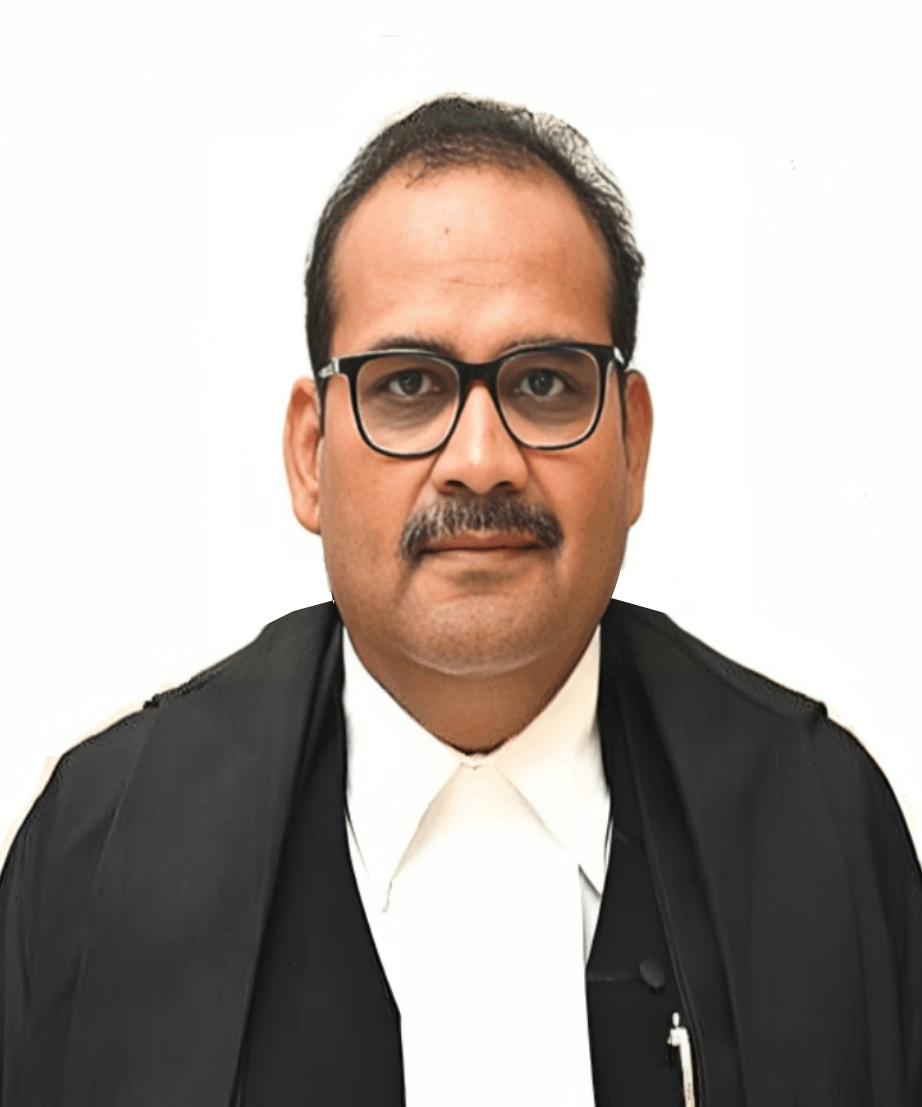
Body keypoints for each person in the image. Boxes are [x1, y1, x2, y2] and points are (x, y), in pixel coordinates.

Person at [1, 94, 920, 1107]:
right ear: (310, 455)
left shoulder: (821, 830)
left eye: (545, 384)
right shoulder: (98, 850)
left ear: (632, 445)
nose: (480, 461)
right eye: (408, 385)